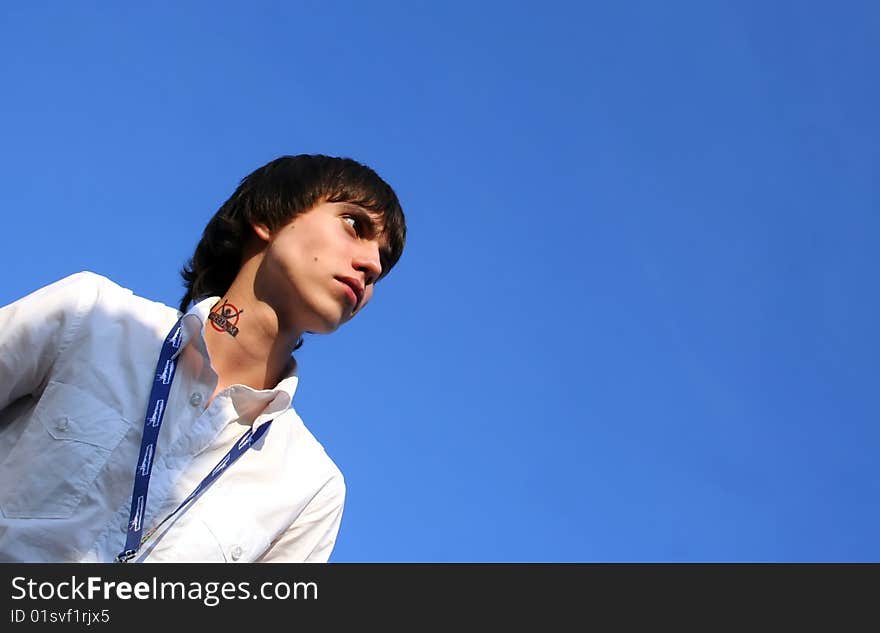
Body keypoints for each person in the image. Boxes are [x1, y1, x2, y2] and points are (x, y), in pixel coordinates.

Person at [0, 154, 406, 562]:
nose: (371, 265)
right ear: (267, 219)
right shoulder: (90, 316)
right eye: (354, 225)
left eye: (383, 261)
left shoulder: (312, 489)